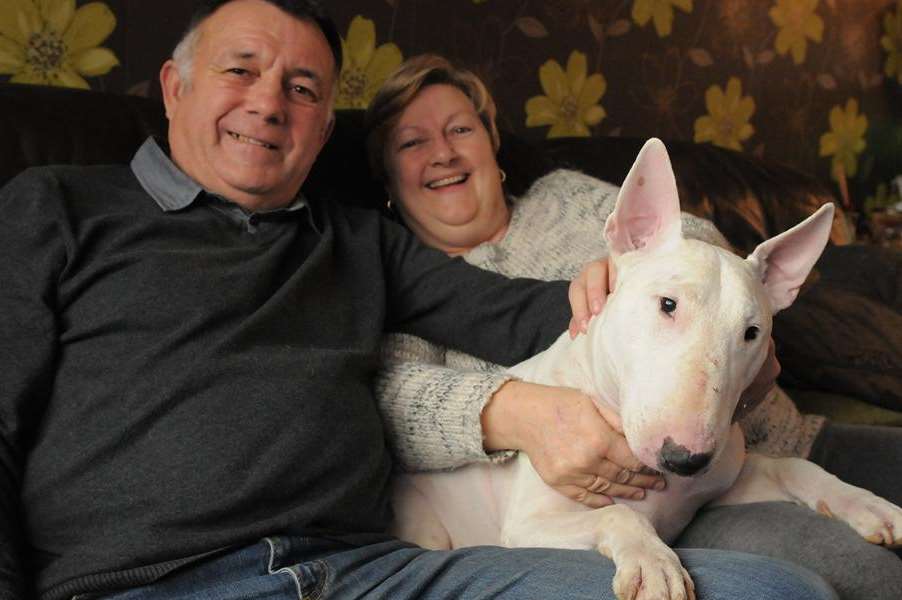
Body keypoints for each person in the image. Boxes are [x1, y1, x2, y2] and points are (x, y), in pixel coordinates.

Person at [0, 2, 838, 599]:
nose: (267, 102)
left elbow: (512, 312)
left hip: (376, 568)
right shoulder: (55, 206)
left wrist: (633, 293)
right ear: (174, 87)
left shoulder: (357, 240)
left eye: (302, 88)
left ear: (324, 128)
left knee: (777, 591)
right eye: (241, 70)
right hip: (150, 580)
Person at [365, 53, 902, 600]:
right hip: (566, 523)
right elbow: (388, 402)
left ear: (492, 143)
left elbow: (701, 252)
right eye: (413, 142)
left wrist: (654, 270)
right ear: (387, 175)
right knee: (869, 577)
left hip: (769, 440)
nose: (444, 152)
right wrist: (515, 411)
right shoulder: (396, 288)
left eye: (461, 128)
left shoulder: (564, 199)